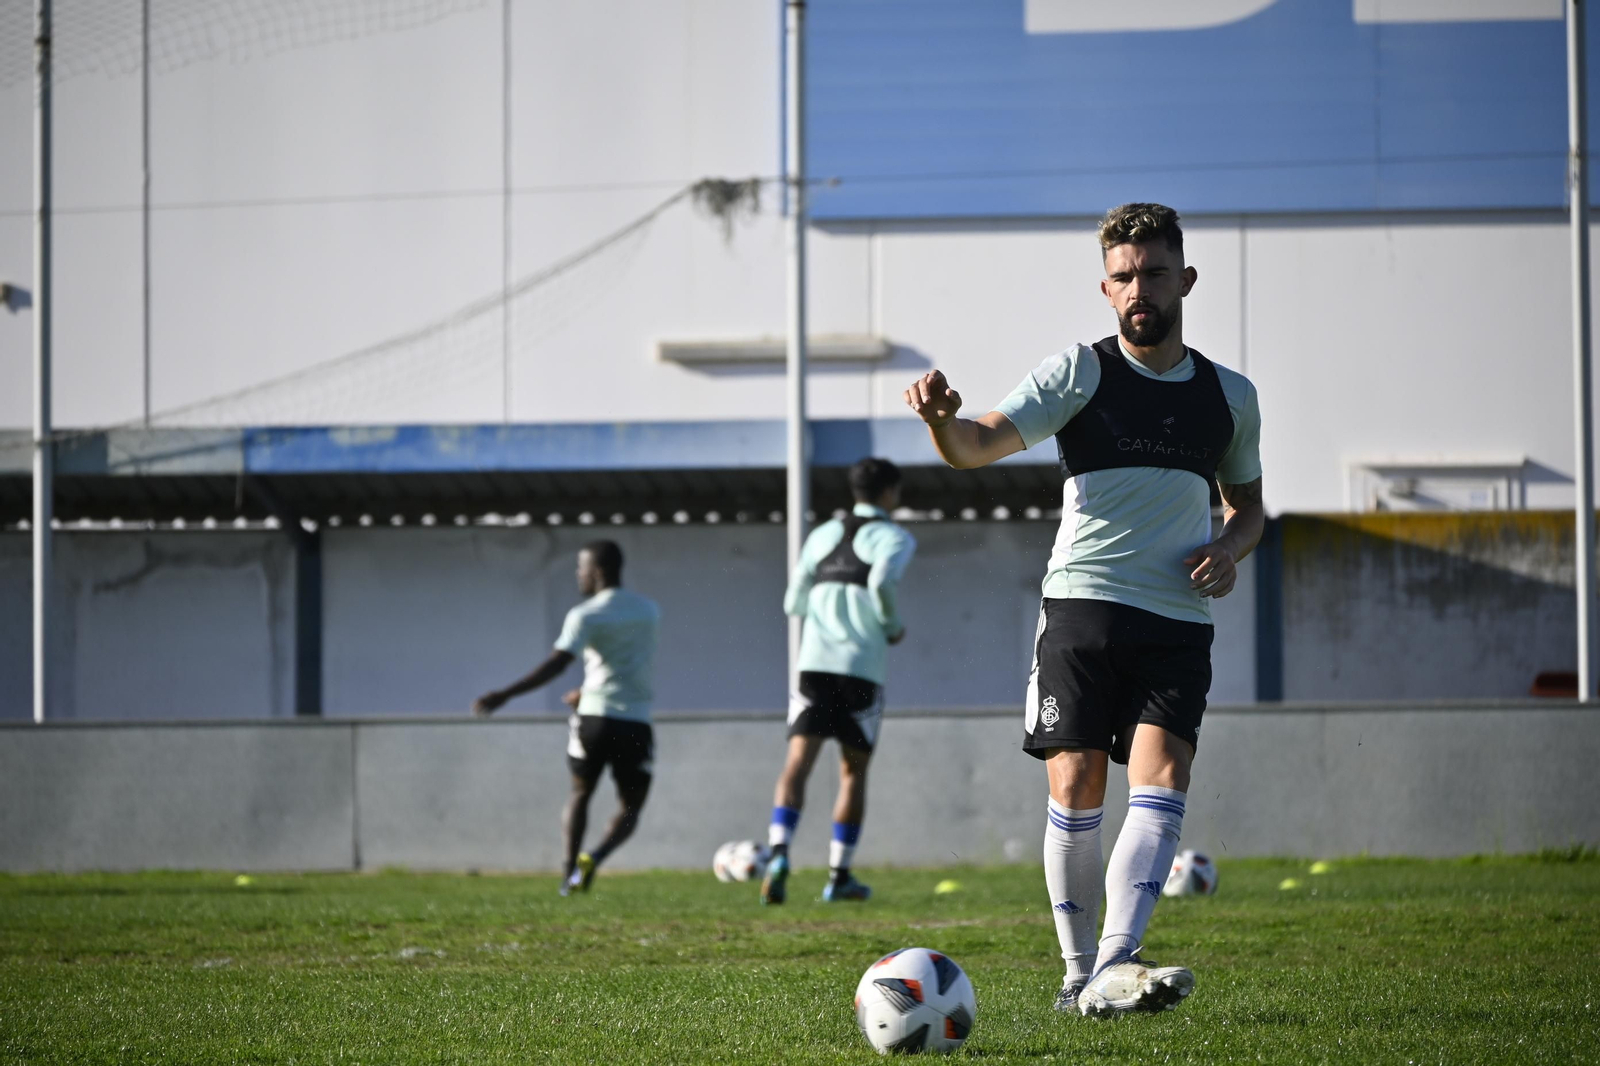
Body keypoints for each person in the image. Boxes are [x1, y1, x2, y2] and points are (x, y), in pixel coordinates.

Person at [903, 203, 1264, 1018]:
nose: (1140, 289)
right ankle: (1077, 976)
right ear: (1106, 289)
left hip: (1178, 619)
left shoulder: (1231, 397)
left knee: (1163, 778)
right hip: (1083, 607)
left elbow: (1248, 508)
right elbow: (975, 445)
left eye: (1155, 273)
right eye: (1124, 277)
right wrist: (940, 423)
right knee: (1077, 779)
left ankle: (1115, 963)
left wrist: (1229, 548)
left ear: (1185, 280)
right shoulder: (1078, 373)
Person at [759, 457, 917, 905]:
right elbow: (882, 582)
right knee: (853, 772)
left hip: (813, 663)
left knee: (797, 764)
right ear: (889, 492)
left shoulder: (821, 534)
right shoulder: (895, 537)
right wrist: (891, 626)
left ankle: (779, 853)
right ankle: (838, 876)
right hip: (861, 666)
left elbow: (793, 601)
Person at [472, 540, 660, 896]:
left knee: (580, 794)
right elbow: (624, 665)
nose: (578, 575)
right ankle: (595, 856)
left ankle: (568, 872)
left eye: (581, 568)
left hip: (594, 719)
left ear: (598, 571)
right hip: (635, 721)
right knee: (631, 807)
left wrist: (505, 694)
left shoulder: (585, 615)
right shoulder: (648, 611)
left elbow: (558, 663)